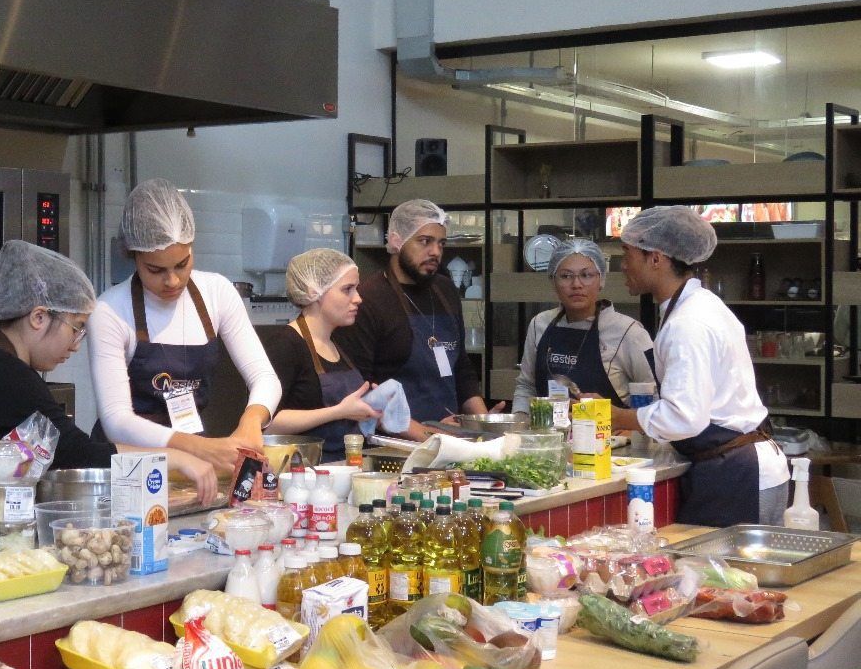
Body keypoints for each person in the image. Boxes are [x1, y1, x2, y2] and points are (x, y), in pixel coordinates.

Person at [0, 240, 217, 504]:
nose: (76, 344)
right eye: (76, 328)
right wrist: (175, 458)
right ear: (38, 317)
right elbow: (80, 454)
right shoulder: (7, 376)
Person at [610, 206, 789, 526]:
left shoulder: (688, 322)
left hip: (738, 473)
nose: (623, 265)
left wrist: (617, 416)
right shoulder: (697, 306)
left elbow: (683, 417)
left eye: (627, 254)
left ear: (656, 258)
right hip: (738, 465)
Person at [87, 179, 281, 472]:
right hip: (130, 464)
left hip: (194, 460)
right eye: (155, 270)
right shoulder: (110, 310)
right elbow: (117, 421)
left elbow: (264, 376)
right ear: (133, 256)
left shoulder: (217, 293)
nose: (172, 281)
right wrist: (199, 448)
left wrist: (252, 419)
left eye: (182, 264)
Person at [336, 198, 499, 436]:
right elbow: (363, 391)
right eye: (425, 241)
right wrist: (426, 434)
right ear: (396, 241)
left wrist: (483, 425)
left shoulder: (445, 290)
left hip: (448, 435)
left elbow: (461, 369)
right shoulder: (368, 299)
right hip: (396, 442)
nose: (435, 252)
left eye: (441, 243)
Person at [512, 238, 655, 411]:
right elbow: (526, 386)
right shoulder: (539, 324)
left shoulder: (628, 332)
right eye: (566, 276)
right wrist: (519, 420)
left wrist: (622, 421)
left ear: (601, 280)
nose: (576, 285)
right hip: (547, 428)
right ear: (553, 281)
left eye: (586, 275)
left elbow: (653, 396)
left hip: (609, 429)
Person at [264, 248, 381, 459]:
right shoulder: (285, 345)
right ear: (314, 292)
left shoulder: (339, 343)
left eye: (356, 289)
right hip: (304, 469)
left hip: (347, 465)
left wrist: (372, 405)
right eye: (347, 289)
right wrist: (339, 411)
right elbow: (267, 424)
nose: (358, 299)